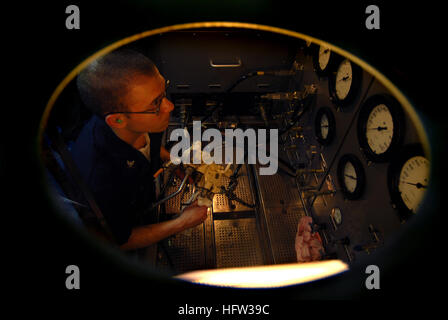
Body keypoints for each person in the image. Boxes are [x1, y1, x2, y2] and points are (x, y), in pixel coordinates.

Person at [72, 48, 208, 250]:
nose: (169, 107)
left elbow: (151, 144)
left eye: (163, 93)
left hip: (144, 187)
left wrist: (174, 161)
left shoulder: (144, 120)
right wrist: (182, 222)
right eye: (156, 103)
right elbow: (119, 241)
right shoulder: (101, 179)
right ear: (117, 120)